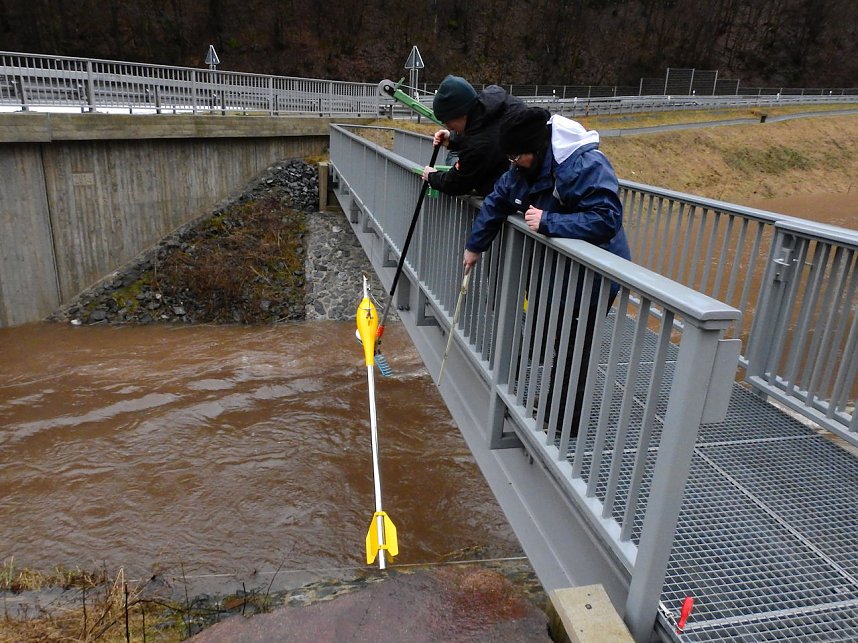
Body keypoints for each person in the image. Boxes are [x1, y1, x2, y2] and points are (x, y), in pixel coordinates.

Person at [462, 106, 632, 437]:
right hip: (562, 271)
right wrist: (475, 246)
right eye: (510, 157)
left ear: (536, 149)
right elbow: (498, 200)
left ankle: (565, 422)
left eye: (516, 157)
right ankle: (557, 402)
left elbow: (606, 218)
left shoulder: (585, 165)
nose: (512, 163)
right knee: (558, 337)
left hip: (595, 274)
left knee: (575, 345)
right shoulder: (524, 167)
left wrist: (549, 221)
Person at [421, 75, 524, 197]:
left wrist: (432, 176)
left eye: (447, 121)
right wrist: (452, 139)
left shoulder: (478, 145)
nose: (448, 127)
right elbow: (484, 131)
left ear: (461, 113)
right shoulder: (494, 105)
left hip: (513, 196)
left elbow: (458, 183)